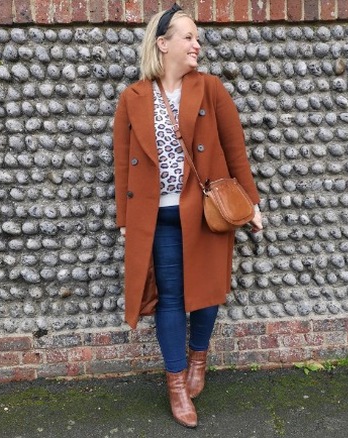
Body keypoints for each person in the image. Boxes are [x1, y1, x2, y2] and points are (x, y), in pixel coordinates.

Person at [113, 4, 263, 428]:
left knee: (210, 292)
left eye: (198, 38)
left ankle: (199, 357)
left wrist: (251, 204)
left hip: (204, 213)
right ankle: (176, 384)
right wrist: (126, 219)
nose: (197, 44)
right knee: (172, 299)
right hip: (156, 217)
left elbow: (235, 149)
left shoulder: (210, 88)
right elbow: (123, 163)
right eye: (188, 37)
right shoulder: (133, 97)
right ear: (163, 44)